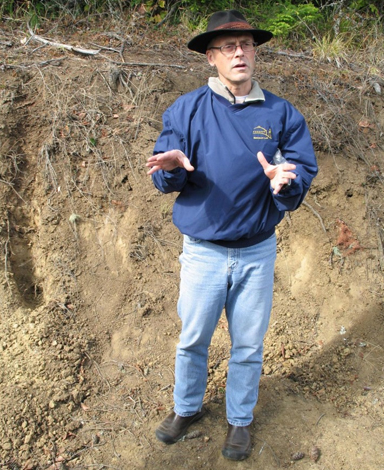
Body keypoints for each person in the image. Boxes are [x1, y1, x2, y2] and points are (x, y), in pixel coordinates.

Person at [146, 9, 318, 461]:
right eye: (227, 46)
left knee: (247, 344)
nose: (239, 52)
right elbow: (166, 175)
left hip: (257, 253)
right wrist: (170, 171)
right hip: (202, 252)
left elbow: (300, 172)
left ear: (254, 52)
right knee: (192, 339)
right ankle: (187, 408)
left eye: (245, 44)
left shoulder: (281, 113)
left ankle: (240, 419)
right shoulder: (186, 110)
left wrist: (287, 181)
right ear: (211, 58)